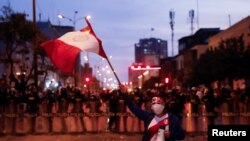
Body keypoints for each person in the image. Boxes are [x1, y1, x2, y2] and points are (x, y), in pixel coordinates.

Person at [120, 85, 185, 141]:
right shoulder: (148, 116)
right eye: (153, 103)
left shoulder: (172, 119)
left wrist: (171, 135)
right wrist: (125, 93)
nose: (155, 105)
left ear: (164, 105)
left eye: (158, 103)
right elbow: (134, 108)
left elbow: (181, 135)